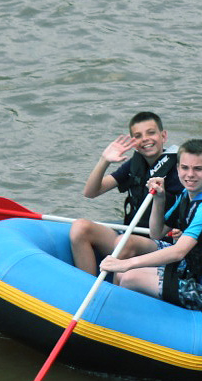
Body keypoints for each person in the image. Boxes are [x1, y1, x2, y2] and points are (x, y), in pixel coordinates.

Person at [100, 139, 202, 312]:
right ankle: (116, 316)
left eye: (198, 169)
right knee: (125, 272)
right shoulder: (187, 194)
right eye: (185, 168)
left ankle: (124, 319)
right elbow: (157, 232)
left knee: (129, 276)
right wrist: (159, 198)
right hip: (193, 272)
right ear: (177, 169)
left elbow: (179, 252)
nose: (190, 174)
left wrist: (127, 263)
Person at [69, 112, 183, 275]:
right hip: (130, 236)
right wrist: (105, 160)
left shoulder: (180, 170)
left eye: (151, 133)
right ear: (133, 143)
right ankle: (87, 285)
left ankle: (114, 294)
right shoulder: (134, 165)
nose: (145, 139)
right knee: (80, 227)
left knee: (123, 242)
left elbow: (191, 207)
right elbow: (91, 192)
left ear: (163, 136)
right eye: (138, 136)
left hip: (161, 245)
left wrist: (181, 229)